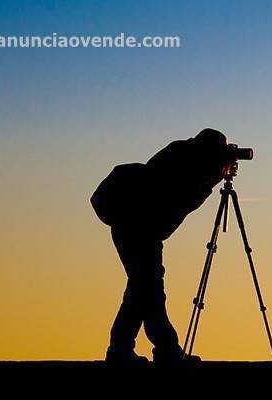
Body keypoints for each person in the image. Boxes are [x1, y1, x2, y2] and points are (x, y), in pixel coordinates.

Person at [91, 128, 232, 366]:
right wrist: (214, 177)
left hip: (136, 226)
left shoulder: (179, 153)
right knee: (149, 288)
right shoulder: (185, 163)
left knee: (142, 288)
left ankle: (123, 349)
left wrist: (213, 174)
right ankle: (163, 350)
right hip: (138, 226)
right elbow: (183, 199)